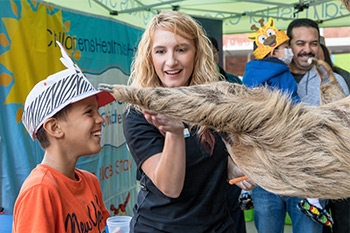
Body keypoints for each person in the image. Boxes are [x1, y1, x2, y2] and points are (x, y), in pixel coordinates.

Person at [121, 10, 254, 233]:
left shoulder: (216, 103)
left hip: (218, 226)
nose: (171, 61)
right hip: (160, 228)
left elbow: (222, 161)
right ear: (150, 57)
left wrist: (241, 171)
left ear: (197, 53)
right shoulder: (139, 113)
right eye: (160, 51)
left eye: (181, 49)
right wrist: (174, 132)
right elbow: (169, 187)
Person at [12, 42, 114, 233]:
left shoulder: (90, 182)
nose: (100, 119)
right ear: (54, 127)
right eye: (89, 112)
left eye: (97, 110)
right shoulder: (40, 191)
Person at [286, 17, 349, 231]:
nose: (308, 49)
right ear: (289, 45)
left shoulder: (333, 81)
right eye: (300, 43)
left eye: (313, 43)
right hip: (275, 176)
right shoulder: (275, 76)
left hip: (314, 177)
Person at [208, 36, 247, 233]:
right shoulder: (189, 85)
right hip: (207, 165)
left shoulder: (233, 81)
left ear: (217, 54)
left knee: (234, 214)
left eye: (212, 51)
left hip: (232, 159)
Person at [318, 42, 350, 233]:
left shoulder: (340, 78)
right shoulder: (295, 78)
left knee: (343, 219)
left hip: (340, 162)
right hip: (323, 163)